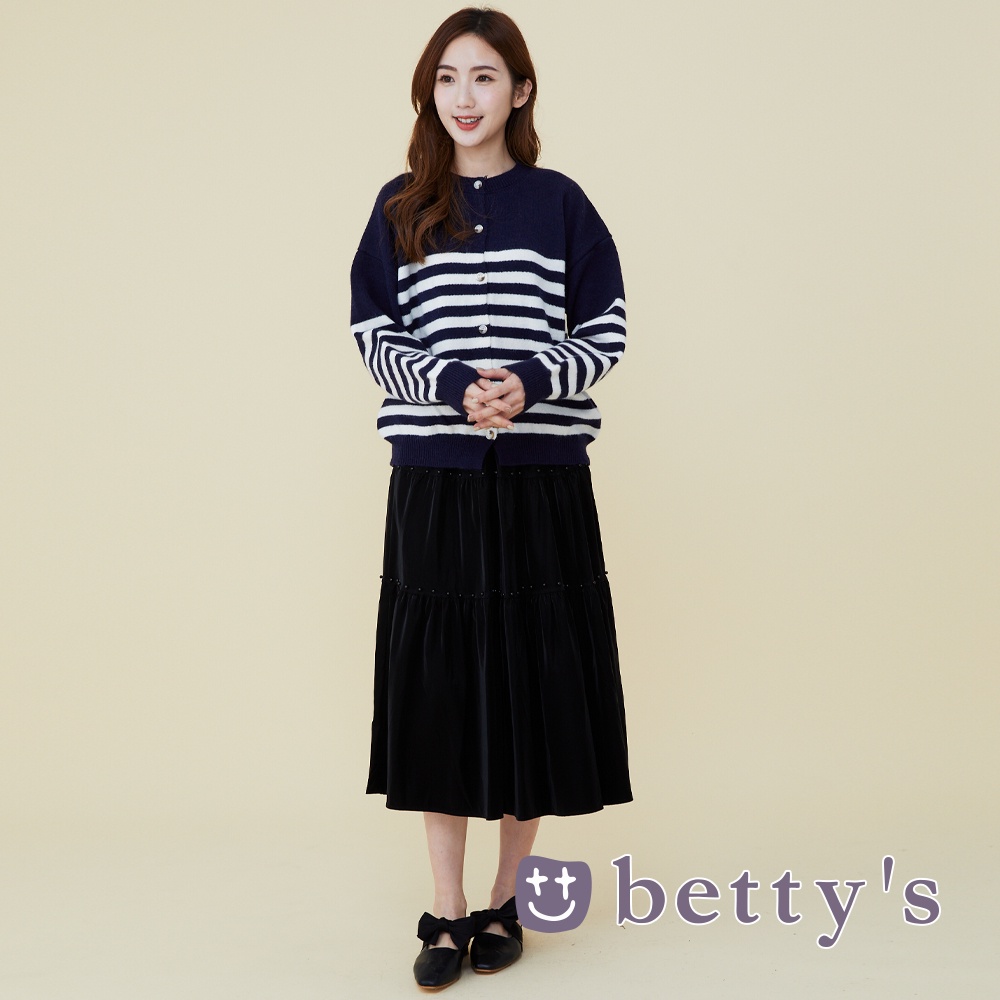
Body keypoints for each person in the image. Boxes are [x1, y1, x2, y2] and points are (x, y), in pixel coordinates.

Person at [350, 7, 632, 991]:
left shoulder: (560, 204)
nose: (463, 96)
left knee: (529, 683)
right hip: (435, 478)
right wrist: (449, 388)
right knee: (440, 689)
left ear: (520, 91)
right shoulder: (400, 207)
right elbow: (372, 328)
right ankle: (447, 906)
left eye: (483, 77)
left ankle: (507, 900)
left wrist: (532, 382)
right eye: (446, 78)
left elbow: (606, 325)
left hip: (541, 479)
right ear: (429, 93)